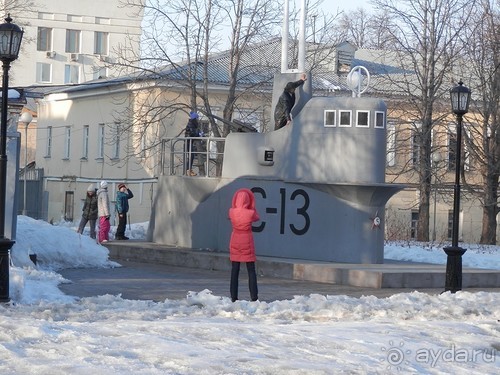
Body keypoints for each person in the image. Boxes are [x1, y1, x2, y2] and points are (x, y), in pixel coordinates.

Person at [228, 188, 260, 302]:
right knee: (251, 269)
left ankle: (233, 296)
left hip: (235, 239)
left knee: (234, 269)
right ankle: (254, 296)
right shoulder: (250, 213)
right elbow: (257, 217)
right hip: (247, 239)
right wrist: (251, 206)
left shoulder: (231, 211)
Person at [184, 111, 201, 176]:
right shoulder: (191, 124)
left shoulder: (192, 124)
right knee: (191, 156)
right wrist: (198, 134)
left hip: (189, 142)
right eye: (197, 118)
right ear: (194, 119)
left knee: (192, 156)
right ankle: (188, 170)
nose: (198, 120)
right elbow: (192, 133)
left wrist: (199, 134)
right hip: (188, 142)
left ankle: (189, 170)